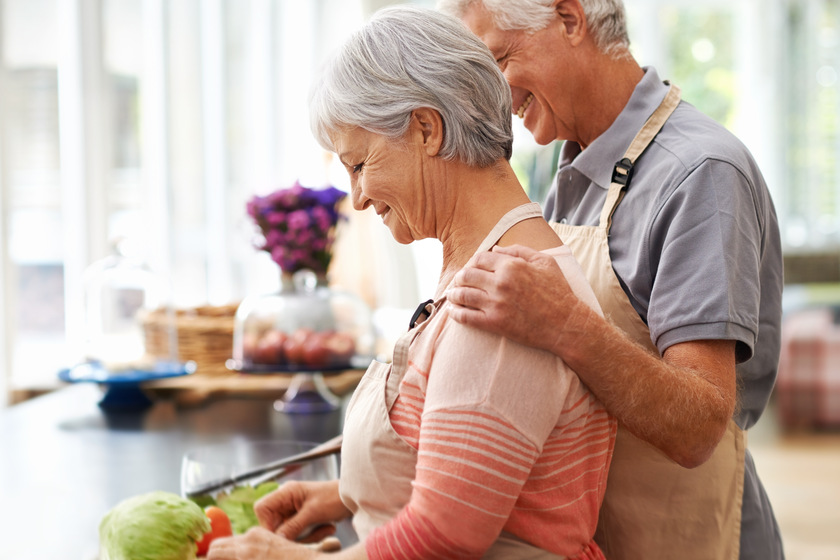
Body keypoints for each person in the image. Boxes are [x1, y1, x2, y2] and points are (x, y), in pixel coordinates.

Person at [208, 6, 615, 560]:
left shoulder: (504, 297)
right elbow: (474, 473)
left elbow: (444, 539)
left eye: (360, 165)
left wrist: (280, 558)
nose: (357, 198)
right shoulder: (486, 264)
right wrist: (349, 494)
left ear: (426, 128)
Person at [435, 1, 785, 559]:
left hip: (689, 536)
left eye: (498, 59)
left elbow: (699, 426)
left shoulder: (700, 174)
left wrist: (564, 324)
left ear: (570, 18)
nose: (495, 97)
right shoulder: (564, 162)